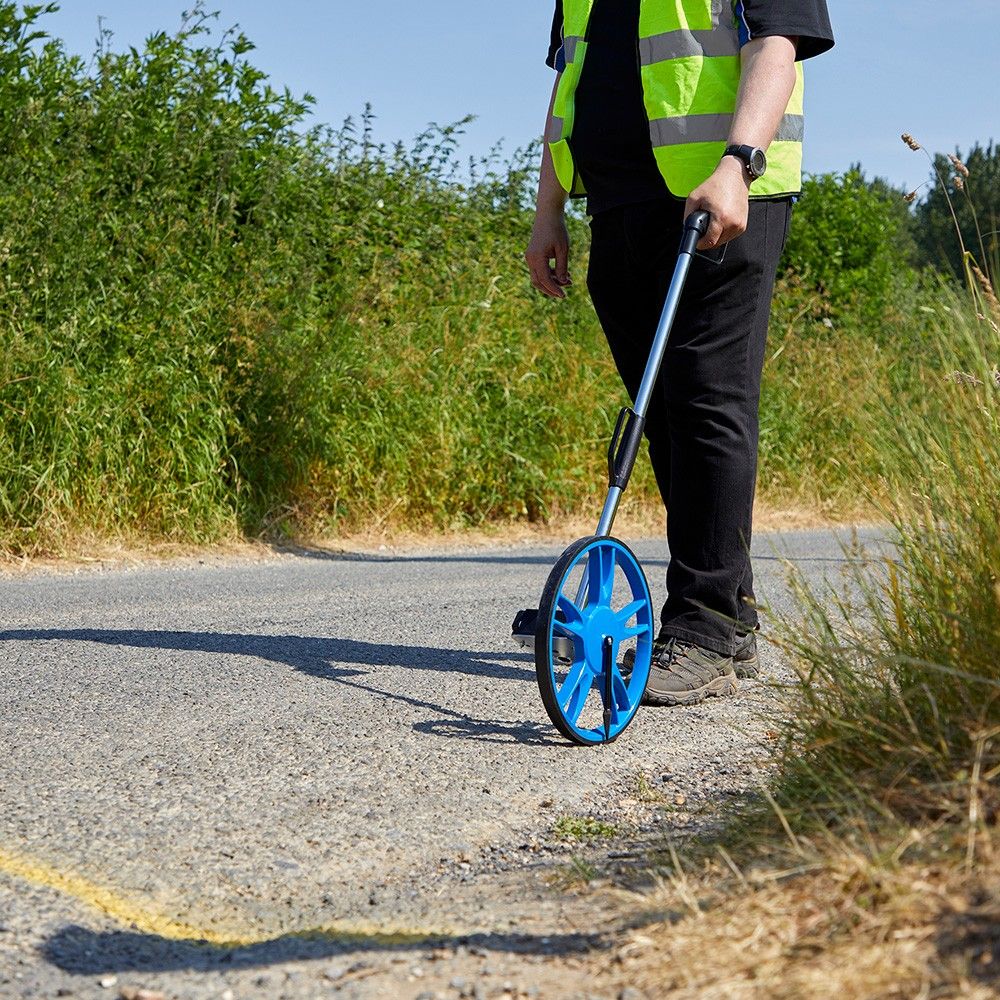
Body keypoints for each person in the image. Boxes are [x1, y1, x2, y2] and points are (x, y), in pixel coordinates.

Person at [525, 0, 834, 707]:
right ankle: (733, 609)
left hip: (722, 195)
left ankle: (704, 629)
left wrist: (737, 163)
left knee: (704, 397)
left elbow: (778, 45)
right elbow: (567, 81)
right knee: (660, 411)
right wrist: (549, 206)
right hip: (617, 199)